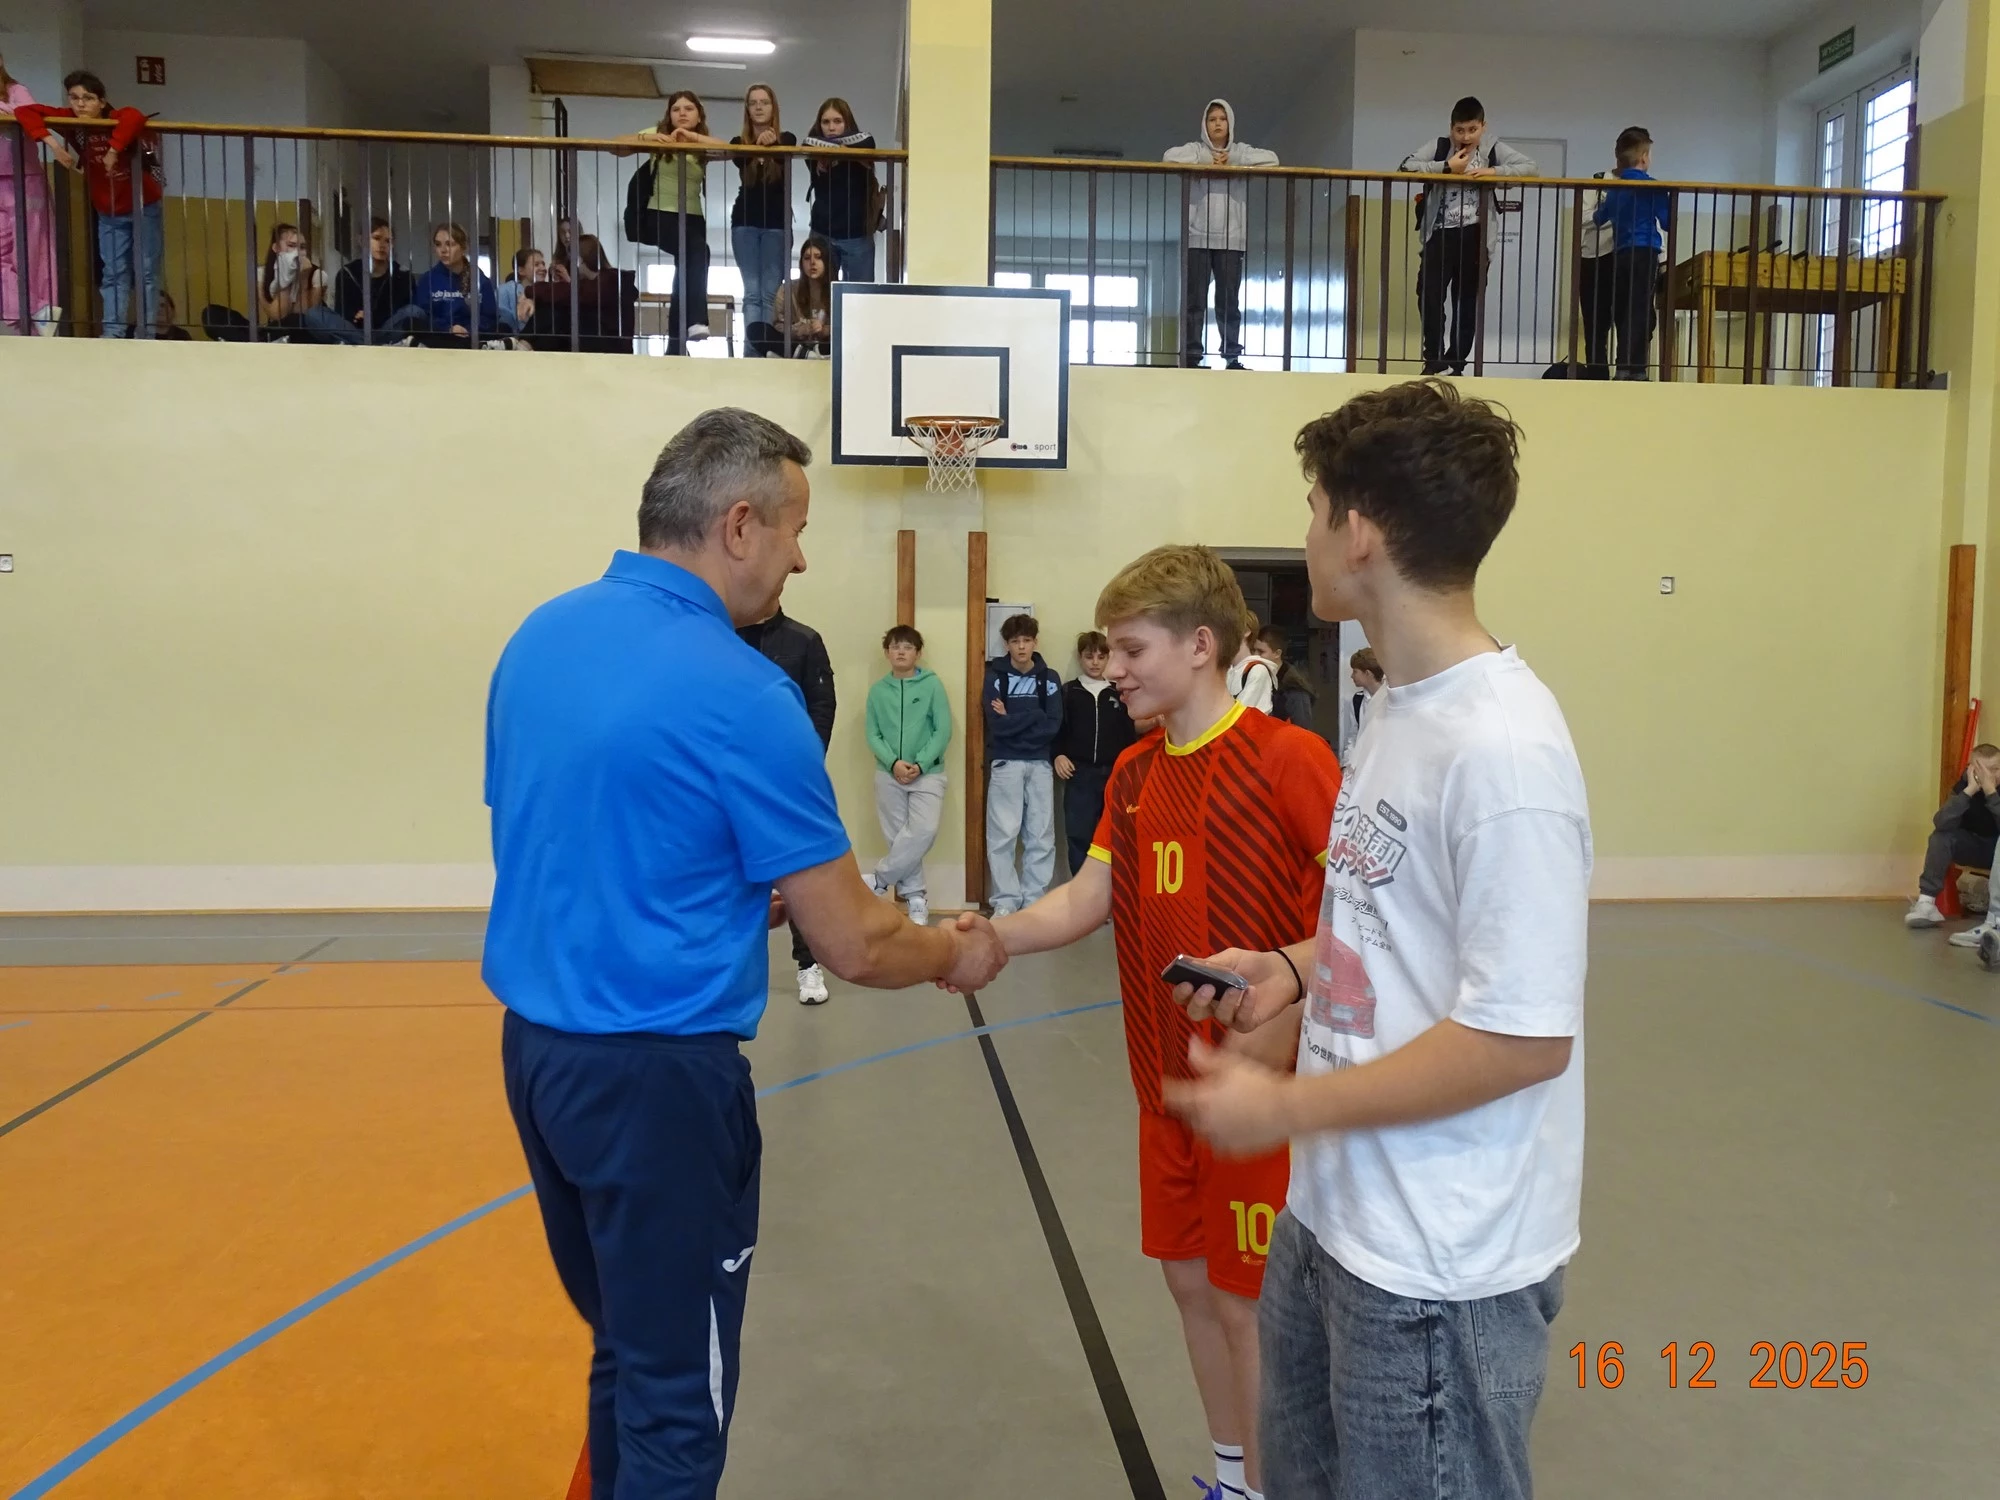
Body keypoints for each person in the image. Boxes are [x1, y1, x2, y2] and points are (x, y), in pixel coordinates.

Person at [485, 407, 1007, 1500]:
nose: (799, 558)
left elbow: (570, 839)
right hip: (658, 1085)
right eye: (795, 530)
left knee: (629, 1346)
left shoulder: (540, 637)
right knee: (680, 1400)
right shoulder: (742, 691)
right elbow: (854, 940)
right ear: (737, 526)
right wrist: (948, 955)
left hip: (539, 1060)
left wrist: (716, 896)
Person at [1166, 378, 1590, 1500]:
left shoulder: (1503, 753)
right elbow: (1394, 923)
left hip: (1437, 1268)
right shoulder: (1399, 709)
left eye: (1313, 510)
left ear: (1357, 532)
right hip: (1334, 1218)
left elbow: (1521, 1038)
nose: (1307, 535)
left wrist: (1286, 1108)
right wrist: (1289, 973)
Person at [950, 545, 1341, 1500]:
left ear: (1201, 645)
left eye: (1132, 650)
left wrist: (1287, 1004)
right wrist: (987, 936)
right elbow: (1085, 899)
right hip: (1164, 1088)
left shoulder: (1290, 759)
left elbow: (1360, 923)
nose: (1113, 668)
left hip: (1257, 1097)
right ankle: (1231, 1478)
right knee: (1190, 1285)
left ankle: (1271, 1487)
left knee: (1249, 1305)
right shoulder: (1131, 774)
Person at [737, 605, 838, 1003]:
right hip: (734, 778)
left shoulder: (804, 640)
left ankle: (808, 966)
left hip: (789, 781)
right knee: (735, 878)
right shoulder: (720, 635)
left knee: (800, 876)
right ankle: (737, 970)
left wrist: (804, 763)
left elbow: (822, 706)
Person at [15, 70, 165, 338]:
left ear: (102, 101)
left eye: (88, 98)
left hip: (144, 206)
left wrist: (113, 150)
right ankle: (113, 333)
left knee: (146, 271)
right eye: (74, 98)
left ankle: (147, 334)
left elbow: (134, 116)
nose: (81, 104)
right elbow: (25, 111)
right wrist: (53, 145)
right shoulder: (70, 121)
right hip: (108, 210)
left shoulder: (116, 118)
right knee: (113, 273)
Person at [1400, 97, 1536, 376]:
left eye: (1472, 130)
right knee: (1429, 295)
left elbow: (1530, 167)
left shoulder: (1493, 148)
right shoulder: (1439, 147)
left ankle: (1457, 361)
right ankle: (1434, 358)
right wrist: (1446, 168)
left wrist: (1492, 172)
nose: (1465, 137)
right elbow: (1405, 167)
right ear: (1451, 128)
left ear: (1483, 127)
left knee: (1467, 301)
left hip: (1475, 235)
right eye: (1459, 130)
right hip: (1439, 233)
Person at [1164, 99, 1278, 370]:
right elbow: (1168, 157)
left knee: (1229, 302)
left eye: (1222, 119)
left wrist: (1233, 161)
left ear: (1230, 124)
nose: (1217, 124)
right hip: (1197, 236)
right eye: (1212, 119)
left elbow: (1273, 160)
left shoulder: (1241, 152)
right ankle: (1192, 356)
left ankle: (1231, 356)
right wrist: (1206, 160)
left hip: (1232, 239)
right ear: (1205, 124)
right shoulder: (1195, 151)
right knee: (1195, 301)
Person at [622, 90, 722, 352]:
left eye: (689, 109)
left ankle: (676, 346)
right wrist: (649, 138)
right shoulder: (658, 133)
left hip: (693, 218)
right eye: (676, 109)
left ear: (698, 115)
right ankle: (697, 320)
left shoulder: (700, 142)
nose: (682, 113)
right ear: (669, 115)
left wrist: (693, 138)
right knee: (699, 250)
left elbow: (728, 151)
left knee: (686, 271)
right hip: (659, 214)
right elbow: (615, 146)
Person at [865, 624, 952, 926]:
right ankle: (916, 898)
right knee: (897, 837)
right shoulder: (878, 691)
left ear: (918, 653)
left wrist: (921, 763)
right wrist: (893, 763)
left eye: (907, 647)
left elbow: (943, 729)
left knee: (923, 830)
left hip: (928, 773)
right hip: (888, 774)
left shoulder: (932, 685)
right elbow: (873, 734)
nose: (901, 652)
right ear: (887, 652)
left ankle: (878, 879)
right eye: (895, 646)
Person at [983, 614, 1064, 917]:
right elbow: (997, 726)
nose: (1021, 647)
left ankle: (1034, 901)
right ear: (1006, 644)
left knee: (1041, 835)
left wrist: (1014, 719)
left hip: (1040, 763)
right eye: (1015, 641)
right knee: (1003, 834)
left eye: (1026, 640)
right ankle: (1005, 900)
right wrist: (1034, 716)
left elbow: (1053, 724)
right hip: (1006, 763)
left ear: (1035, 642)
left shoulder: (1049, 678)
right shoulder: (995, 677)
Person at [1054, 630, 1138, 876]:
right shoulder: (1069, 692)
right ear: (1080, 657)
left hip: (1113, 773)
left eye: (1101, 657)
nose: (1095, 663)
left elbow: (1129, 732)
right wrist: (1058, 754)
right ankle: (1081, 893)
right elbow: (1058, 728)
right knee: (1079, 834)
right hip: (1079, 774)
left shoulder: (1118, 692)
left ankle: (1112, 893)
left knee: (1114, 835)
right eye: (1089, 657)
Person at [1592, 127, 1672, 381]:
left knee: (1623, 309)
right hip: (1646, 251)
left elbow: (1599, 218)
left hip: (1621, 254)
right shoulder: (1653, 187)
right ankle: (1637, 368)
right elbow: (1668, 221)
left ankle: (1622, 366)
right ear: (1644, 158)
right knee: (1641, 308)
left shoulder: (1616, 189)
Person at [1904, 743, 2000, 939]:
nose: (1988, 776)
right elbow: (1941, 822)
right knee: (1941, 836)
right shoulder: (1963, 787)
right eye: (1981, 770)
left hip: (1997, 850)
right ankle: (1926, 903)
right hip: (1974, 847)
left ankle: (1995, 918)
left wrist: (1991, 792)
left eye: (1994, 769)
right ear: (1971, 768)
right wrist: (1968, 792)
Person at [0, 52, 61, 334]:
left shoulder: (16, 90)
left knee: (32, 253)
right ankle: (28, 309)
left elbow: (30, 115)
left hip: (26, 179)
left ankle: (37, 323)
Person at [731, 84, 796, 342]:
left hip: (777, 224)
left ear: (773, 108)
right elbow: (739, 159)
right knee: (752, 293)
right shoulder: (738, 144)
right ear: (747, 109)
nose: (758, 107)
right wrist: (757, 145)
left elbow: (783, 153)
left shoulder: (787, 139)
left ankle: (764, 349)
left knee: (769, 294)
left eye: (764, 102)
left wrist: (769, 144)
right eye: (753, 102)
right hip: (744, 222)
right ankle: (752, 352)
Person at [804, 98, 878, 282]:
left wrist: (839, 149)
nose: (831, 127)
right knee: (818, 292)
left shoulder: (861, 147)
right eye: (826, 122)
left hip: (857, 234)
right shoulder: (813, 149)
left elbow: (868, 140)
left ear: (847, 122)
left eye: (837, 121)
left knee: (859, 294)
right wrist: (840, 148)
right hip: (822, 232)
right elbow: (807, 142)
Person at [330, 218, 426, 342]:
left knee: (414, 311)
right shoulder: (347, 273)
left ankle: (363, 344)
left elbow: (402, 314)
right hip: (354, 330)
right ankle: (363, 342)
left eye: (388, 241)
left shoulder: (402, 275)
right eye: (376, 238)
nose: (382, 245)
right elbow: (342, 312)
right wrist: (356, 317)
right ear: (361, 240)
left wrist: (369, 316)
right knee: (315, 314)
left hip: (388, 331)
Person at [413, 222, 499, 343]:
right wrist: (448, 329)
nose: (443, 250)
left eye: (450, 244)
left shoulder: (480, 279)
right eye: (438, 244)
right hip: (440, 336)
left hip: (472, 336)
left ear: (463, 247)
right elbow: (423, 315)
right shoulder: (427, 279)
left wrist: (468, 330)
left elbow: (490, 317)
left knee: (504, 326)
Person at [764, 234, 833, 356]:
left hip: (826, 345)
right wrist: (799, 330)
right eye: (807, 258)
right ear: (801, 263)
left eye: (818, 257)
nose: (812, 262)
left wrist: (826, 330)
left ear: (826, 262)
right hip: (797, 343)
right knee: (757, 329)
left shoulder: (836, 291)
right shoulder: (787, 289)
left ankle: (811, 354)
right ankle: (805, 354)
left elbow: (847, 327)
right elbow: (778, 326)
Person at [1257, 625, 1317, 728]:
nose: (1255, 656)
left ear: (1277, 653)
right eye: (1253, 650)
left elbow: (1301, 729)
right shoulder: (1260, 679)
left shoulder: (1295, 690)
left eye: (1261, 652)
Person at [1226, 615, 1279, 715]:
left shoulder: (1258, 670)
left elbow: (1238, 715)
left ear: (1246, 632)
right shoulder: (1228, 670)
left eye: (1228, 627)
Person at [1342, 645, 1382, 762]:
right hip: (1362, 761)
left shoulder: (1389, 699)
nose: (1351, 676)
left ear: (1367, 673)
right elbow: (1354, 735)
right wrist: (1347, 763)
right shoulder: (1358, 700)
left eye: (1355, 671)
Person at [497, 247, 547, 334]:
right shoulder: (504, 290)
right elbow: (503, 322)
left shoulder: (549, 293)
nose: (543, 268)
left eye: (543, 264)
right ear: (521, 270)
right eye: (536, 264)